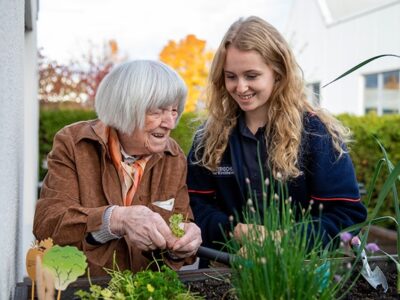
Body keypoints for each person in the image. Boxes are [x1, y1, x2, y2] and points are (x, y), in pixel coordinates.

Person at [187, 16, 367, 263]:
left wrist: (283, 240)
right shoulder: (208, 138)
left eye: (251, 76)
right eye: (231, 76)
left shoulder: (316, 134)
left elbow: (347, 215)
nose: (240, 87)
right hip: (223, 270)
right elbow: (193, 205)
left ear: (279, 73)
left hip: (301, 272)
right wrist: (236, 232)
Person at [33, 60, 202, 275]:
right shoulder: (75, 144)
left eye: (174, 110)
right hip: (87, 289)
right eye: (157, 112)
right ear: (125, 108)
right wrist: (115, 219)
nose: (170, 122)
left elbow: (181, 227)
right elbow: (48, 224)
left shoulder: (173, 156)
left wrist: (185, 243)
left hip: (144, 291)